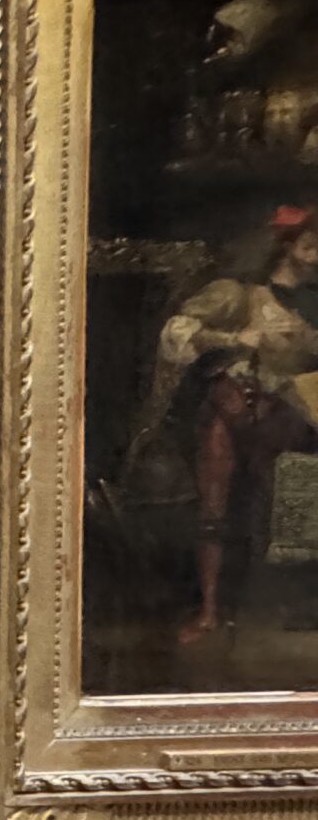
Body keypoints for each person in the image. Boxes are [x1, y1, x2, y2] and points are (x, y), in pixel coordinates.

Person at [144, 204, 318, 639]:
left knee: (273, 501)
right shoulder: (238, 296)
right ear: (287, 246)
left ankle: (267, 605)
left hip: (289, 424)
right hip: (230, 416)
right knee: (215, 502)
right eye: (310, 245)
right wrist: (235, 338)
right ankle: (208, 611)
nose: (317, 256)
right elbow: (176, 334)